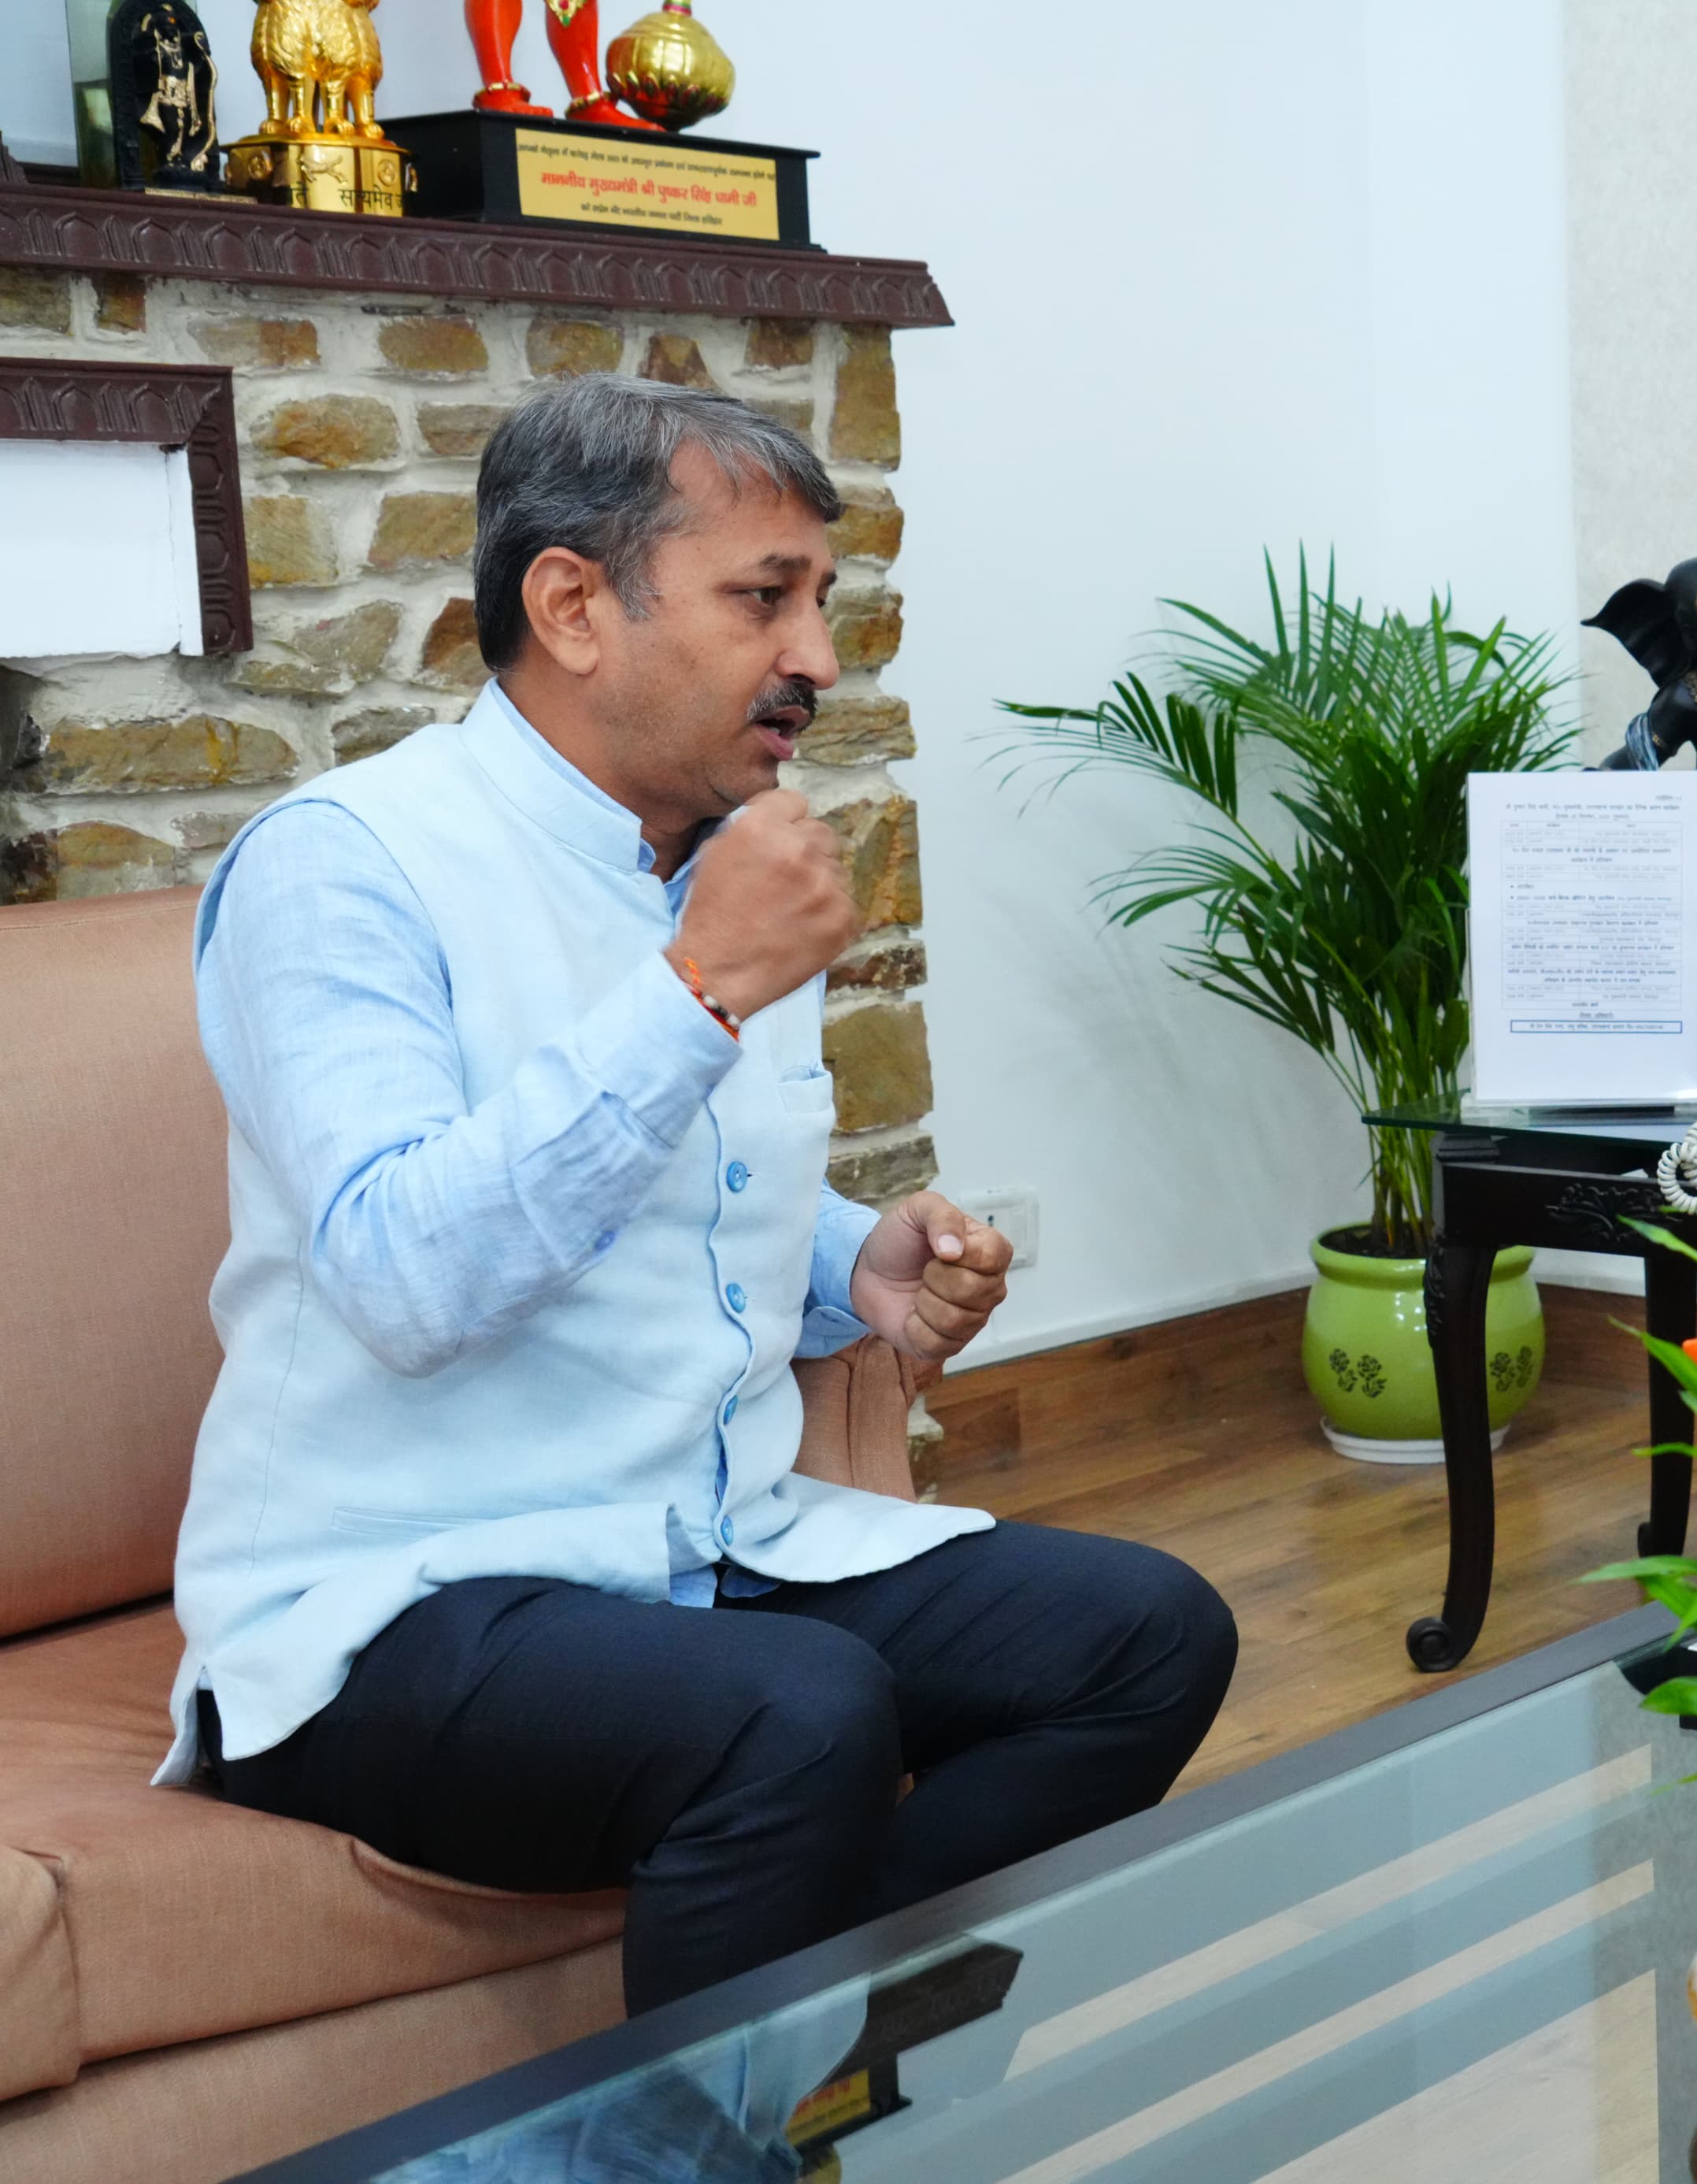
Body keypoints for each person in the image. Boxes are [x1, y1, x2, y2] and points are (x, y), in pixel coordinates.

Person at [165, 373, 1236, 2015]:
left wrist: (850, 1268)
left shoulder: (723, 859)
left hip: (709, 1540)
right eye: (765, 598)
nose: (818, 657)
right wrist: (700, 989)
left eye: (821, 601)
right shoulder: (344, 862)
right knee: (797, 1714)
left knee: (1149, 1632)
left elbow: (663, 1200)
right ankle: (758, 2110)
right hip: (390, 1601)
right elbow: (398, 1274)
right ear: (573, 606)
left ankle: (833, 2073)